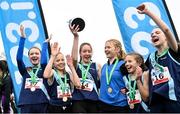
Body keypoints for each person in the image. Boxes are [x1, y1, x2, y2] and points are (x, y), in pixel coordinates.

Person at [136, 4, 180, 112]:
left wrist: (147, 12)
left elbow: (166, 29)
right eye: (151, 34)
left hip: (174, 100)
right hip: (156, 102)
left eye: (157, 32)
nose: (153, 35)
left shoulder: (173, 51)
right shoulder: (150, 58)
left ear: (166, 37)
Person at [16, 25, 50, 113]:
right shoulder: (25, 71)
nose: (34, 55)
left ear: (41, 56)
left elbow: (43, 62)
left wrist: (45, 45)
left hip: (42, 102)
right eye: (31, 54)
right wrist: (22, 38)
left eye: (37, 54)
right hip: (26, 103)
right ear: (28, 57)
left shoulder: (44, 70)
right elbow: (19, 59)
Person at [69, 24, 101, 113]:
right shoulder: (76, 65)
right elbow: (73, 57)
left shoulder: (96, 65)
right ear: (80, 53)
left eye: (89, 51)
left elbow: (104, 82)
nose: (87, 53)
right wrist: (76, 37)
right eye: (84, 51)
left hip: (94, 101)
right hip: (79, 101)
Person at [43, 41, 79, 113]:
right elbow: (45, 75)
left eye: (62, 60)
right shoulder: (53, 72)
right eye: (58, 61)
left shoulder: (68, 74)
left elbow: (78, 84)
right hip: (55, 107)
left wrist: (71, 67)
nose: (61, 62)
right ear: (53, 64)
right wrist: (53, 56)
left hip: (68, 106)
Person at [99, 39, 129, 113]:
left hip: (119, 105)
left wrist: (127, 89)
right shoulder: (104, 66)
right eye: (105, 48)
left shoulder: (123, 65)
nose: (106, 49)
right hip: (103, 104)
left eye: (108, 47)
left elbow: (132, 80)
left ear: (117, 49)